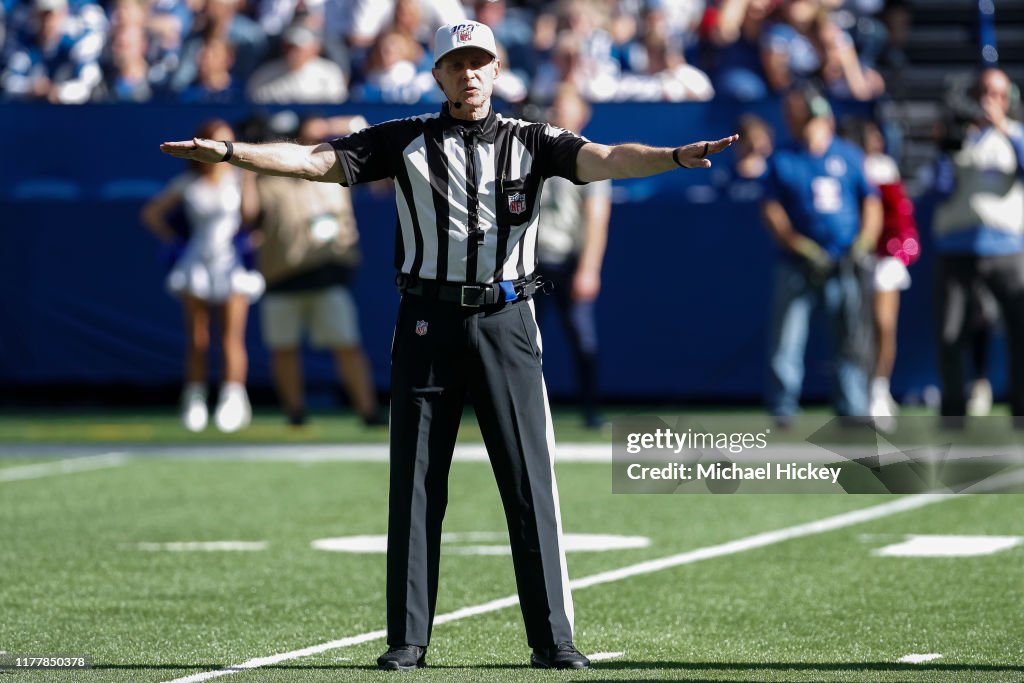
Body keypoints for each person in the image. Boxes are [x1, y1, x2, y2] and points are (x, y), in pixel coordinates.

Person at [160, 20, 736, 670]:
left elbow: (604, 158)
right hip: (427, 321)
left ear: (497, 70)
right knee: (415, 482)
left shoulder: (531, 140)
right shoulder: (405, 140)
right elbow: (317, 161)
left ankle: (553, 638)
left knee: (529, 483)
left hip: (508, 320)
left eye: (479, 62)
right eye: (456, 64)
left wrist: (674, 155)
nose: (468, 74)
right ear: (437, 75)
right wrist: (235, 155)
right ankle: (408, 638)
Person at [240, 114, 382, 427]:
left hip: (327, 272)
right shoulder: (266, 176)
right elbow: (247, 217)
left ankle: (368, 411)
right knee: (284, 349)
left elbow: (374, 153)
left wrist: (333, 125)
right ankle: (295, 413)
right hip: (282, 275)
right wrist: (248, 170)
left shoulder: (336, 167)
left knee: (346, 344)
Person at [761, 87, 881, 422]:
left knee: (851, 336)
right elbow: (771, 209)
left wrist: (863, 243)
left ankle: (853, 406)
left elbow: (871, 202)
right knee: (787, 338)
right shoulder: (783, 158)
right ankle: (783, 407)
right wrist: (798, 244)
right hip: (798, 263)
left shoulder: (849, 156)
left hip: (844, 261)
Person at [144, 118, 264, 433]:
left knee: (230, 339)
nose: (222, 149)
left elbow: (250, 217)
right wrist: (176, 241)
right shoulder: (188, 183)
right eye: (217, 141)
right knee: (198, 339)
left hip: (232, 265)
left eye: (228, 142)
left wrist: (248, 178)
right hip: (196, 262)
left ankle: (233, 399)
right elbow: (151, 213)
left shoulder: (240, 178)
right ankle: (195, 399)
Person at [932, 67, 1024, 423]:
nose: (990, 100)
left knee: (1019, 330)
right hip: (957, 247)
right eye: (984, 92)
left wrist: (1001, 127)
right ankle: (954, 411)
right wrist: (944, 147)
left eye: (998, 93)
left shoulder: (1016, 134)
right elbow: (940, 189)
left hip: (1006, 248)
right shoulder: (960, 137)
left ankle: (1020, 408)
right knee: (950, 332)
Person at [534, 84, 611, 430]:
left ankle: (590, 409)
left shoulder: (590, 155)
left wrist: (589, 267)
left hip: (567, 258)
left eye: (566, 106)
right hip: (532, 261)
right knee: (521, 340)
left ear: (583, 114)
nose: (558, 112)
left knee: (582, 338)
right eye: (555, 105)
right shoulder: (534, 148)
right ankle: (521, 408)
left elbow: (597, 216)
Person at [841, 117, 918, 426]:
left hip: (885, 254)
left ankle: (879, 388)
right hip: (854, 255)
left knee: (883, 323)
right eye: (870, 135)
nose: (876, 141)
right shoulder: (845, 164)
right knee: (857, 330)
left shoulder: (883, 167)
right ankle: (858, 392)